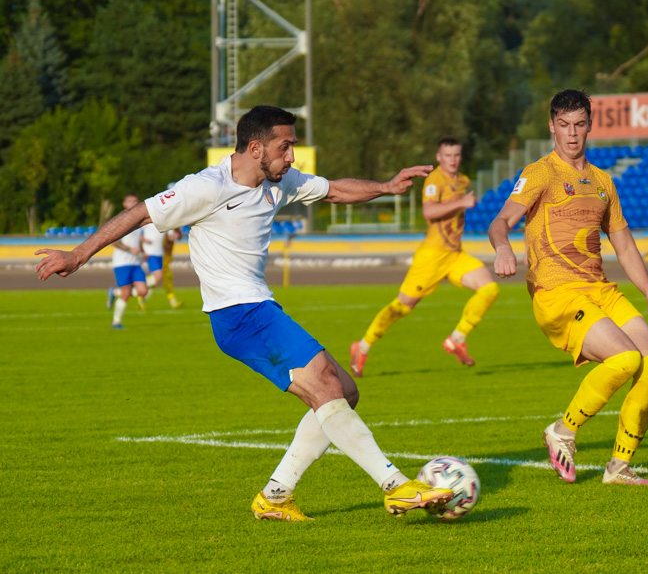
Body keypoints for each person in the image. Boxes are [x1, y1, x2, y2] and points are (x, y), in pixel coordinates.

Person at [35, 105, 453, 521]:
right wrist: (78, 254)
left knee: (344, 392)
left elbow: (335, 190)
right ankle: (397, 486)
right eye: (285, 146)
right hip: (238, 313)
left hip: (258, 307)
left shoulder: (279, 181)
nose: (291, 157)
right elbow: (140, 213)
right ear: (255, 147)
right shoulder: (205, 187)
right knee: (326, 383)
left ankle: (276, 496)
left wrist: (387, 186)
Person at [488, 89, 648, 486]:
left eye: (580, 125)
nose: (572, 134)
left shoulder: (603, 181)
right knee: (625, 360)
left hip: (599, 289)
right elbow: (500, 221)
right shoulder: (541, 172)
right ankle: (563, 430)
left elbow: (623, 244)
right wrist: (503, 248)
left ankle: (619, 466)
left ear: (590, 125)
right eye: (564, 126)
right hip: (557, 292)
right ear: (552, 126)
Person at [349, 136, 499, 377]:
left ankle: (457, 339)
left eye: (456, 155)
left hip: (455, 255)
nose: (453, 160)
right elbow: (429, 212)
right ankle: (362, 346)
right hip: (431, 256)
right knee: (401, 308)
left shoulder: (463, 180)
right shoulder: (434, 179)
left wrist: (463, 201)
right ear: (439, 157)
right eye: (448, 156)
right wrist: (461, 202)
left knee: (490, 289)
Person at [105, 193, 148, 328]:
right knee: (126, 293)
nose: (133, 204)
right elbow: (112, 241)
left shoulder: (139, 221)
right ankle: (116, 322)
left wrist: (142, 250)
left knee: (143, 291)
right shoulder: (120, 220)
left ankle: (114, 292)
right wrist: (129, 249)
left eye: (135, 201)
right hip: (122, 262)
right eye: (130, 201)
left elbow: (137, 240)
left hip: (135, 262)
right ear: (124, 204)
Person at [141, 220, 184, 309]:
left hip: (161, 254)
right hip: (150, 253)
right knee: (163, 277)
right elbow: (136, 233)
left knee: (157, 279)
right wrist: (143, 241)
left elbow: (172, 236)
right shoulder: (146, 221)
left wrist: (177, 235)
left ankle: (141, 299)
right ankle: (173, 301)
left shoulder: (163, 220)